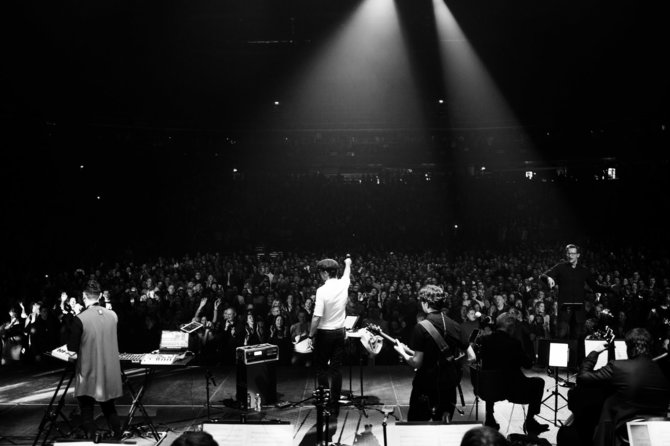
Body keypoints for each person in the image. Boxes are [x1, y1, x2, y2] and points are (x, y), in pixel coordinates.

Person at [393, 284, 475, 422]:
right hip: (448, 386)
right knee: (443, 427)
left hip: (425, 385)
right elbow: (472, 357)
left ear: (425, 303)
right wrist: (454, 366)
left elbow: (417, 362)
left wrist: (402, 352)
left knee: (417, 425)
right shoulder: (455, 325)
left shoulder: (421, 327)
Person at [576, 327, 670, 446]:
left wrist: (595, 351)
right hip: (656, 432)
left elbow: (583, 377)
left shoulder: (618, 366)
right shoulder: (663, 371)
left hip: (622, 433)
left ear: (628, 347)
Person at [67, 279, 123, 440]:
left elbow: (72, 349)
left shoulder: (80, 318)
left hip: (89, 371)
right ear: (99, 296)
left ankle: (92, 436)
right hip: (108, 371)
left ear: (84, 296)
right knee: (108, 405)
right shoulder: (113, 315)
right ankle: (116, 433)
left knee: (86, 407)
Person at [478, 312, 549, 435]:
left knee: (492, 378)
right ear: (510, 327)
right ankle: (530, 421)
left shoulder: (485, 340)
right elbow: (527, 364)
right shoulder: (513, 343)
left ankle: (490, 417)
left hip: (489, 388)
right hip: (512, 389)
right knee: (539, 382)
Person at [307, 255, 352, 416]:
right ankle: (334, 403)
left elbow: (317, 316)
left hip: (325, 334)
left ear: (325, 273)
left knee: (321, 368)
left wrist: (310, 336)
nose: (319, 275)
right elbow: (347, 273)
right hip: (340, 332)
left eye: (320, 272)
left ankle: (324, 399)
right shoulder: (343, 284)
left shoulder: (322, 291)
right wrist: (348, 263)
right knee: (336, 369)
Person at [540, 244, 610, 340]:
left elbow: (595, 287)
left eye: (573, 253)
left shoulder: (584, 270)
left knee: (578, 340)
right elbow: (542, 276)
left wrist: (610, 288)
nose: (570, 256)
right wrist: (548, 278)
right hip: (564, 310)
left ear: (578, 255)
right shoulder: (560, 267)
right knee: (561, 337)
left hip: (578, 312)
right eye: (568, 253)